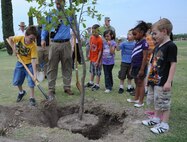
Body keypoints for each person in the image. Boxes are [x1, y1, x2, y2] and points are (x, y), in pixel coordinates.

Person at [142, 18, 177, 134]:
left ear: (164, 31)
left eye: (155, 33)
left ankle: (164, 124)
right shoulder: (158, 46)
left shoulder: (171, 46)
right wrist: (149, 78)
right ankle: (156, 118)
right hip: (154, 79)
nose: (153, 36)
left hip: (163, 81)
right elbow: (153, 63)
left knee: (164, 102)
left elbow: (173, 64)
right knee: (156, 100)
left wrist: (168, 81)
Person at [41, 0, 74, 100]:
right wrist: (43, 38)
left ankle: (67, 87)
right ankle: (51, 89)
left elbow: (74, 25)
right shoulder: (51, 14)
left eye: (60, 1)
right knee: (52, 66)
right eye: (56, 2)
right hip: (54, 43)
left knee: (67, 65)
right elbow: (45, 27)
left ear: (64, 2)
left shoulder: (69, 13)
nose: (58, 3)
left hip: (66, 43)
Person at [8, 26, 38, 106]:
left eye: (34, 39)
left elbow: (33, 60)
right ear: (26, 35)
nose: (32, 40)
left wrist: (34, 74)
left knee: (31, 81)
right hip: (20, 63)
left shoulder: (33, 46)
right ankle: (21, 92)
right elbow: (10, 39)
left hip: (29, 64)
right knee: (17, 80)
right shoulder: (20, 38)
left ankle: (32, 98)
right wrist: (14, 49)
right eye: (31, 38)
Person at [127, 21, 149, 108]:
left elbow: (144, 57)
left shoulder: (144, 43)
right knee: (136, 82)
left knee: (141, 83)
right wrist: (132, 67)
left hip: (141, 67)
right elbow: (133, 55)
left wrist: (142, 69)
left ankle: (141, 101)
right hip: (135, 66)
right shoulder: (137, 43)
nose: (134, 36)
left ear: (142, 33)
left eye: (135, 34)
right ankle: (136, 98)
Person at [117, 29, 135, 94]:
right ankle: (121, 87)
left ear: (134, 36)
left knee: (130, 76)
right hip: (124, 62)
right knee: (122, 75)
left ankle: (129, 87)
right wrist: (118, 43)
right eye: (128, 34)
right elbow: (118, 49)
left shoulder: (135, 43)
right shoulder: (124, 43)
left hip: (132, 63)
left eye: (130, 34)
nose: (128, 35)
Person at [85, 24, 103, 91]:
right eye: (93, 32)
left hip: (97, 59)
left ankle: (97, 85)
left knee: (97, 72)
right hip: (92, 58)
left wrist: (98, 61)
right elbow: (90, 46)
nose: (94, 33)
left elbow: (100, 51)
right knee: (92, 71)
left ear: (98, 31)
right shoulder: (92, 37)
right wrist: (89, 54)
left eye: (95, 32)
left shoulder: (100, 40)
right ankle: (91, 82)